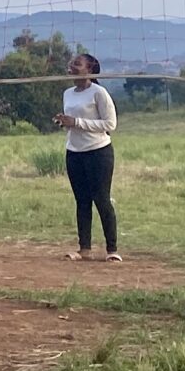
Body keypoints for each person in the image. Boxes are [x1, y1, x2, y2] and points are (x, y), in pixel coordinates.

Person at [59, 52, 120, 261]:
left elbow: (110, 124)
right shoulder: (67, 93)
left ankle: (112, 250)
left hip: (98, 153)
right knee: (82, 201)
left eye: (77, 63)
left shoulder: (99, 93)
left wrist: (76, 122)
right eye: (71, 63)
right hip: (74, 153)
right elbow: (73, 122)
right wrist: (64, 123)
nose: (71, 66)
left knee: (101, 199)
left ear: (90, 69)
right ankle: (84, 249)